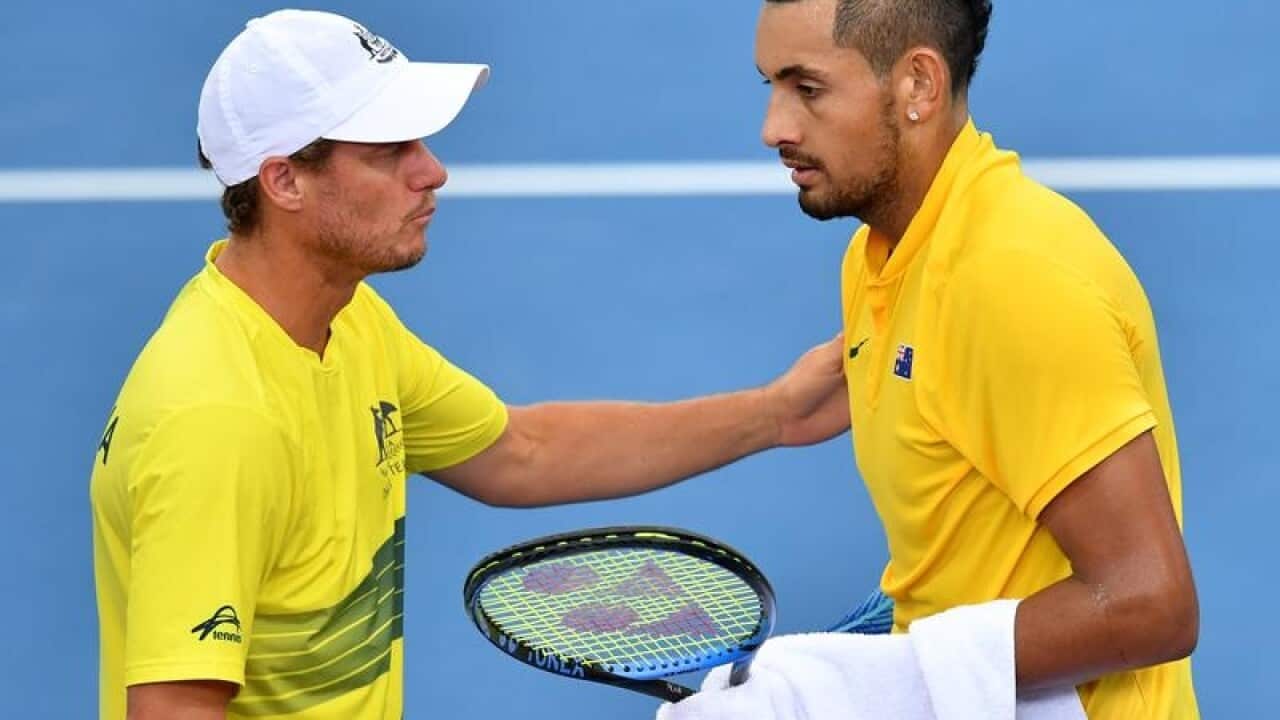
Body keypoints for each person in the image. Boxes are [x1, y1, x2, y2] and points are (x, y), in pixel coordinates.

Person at [88, 9, 853, 720]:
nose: (432, 171)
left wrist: (776, 414)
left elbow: (520, 451)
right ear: (284, 179)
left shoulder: (346, 323)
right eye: (389, 152)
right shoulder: (218, 420)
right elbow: (173, 710)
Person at [661, 1, 1199, 718]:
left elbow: (1150, 606)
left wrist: (852, 686)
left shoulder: (1010, 280)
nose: (774, 128)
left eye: (807, 89)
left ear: (919, 84)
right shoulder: (881, 255)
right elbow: (953, 560)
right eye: (772, 87)